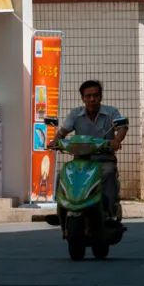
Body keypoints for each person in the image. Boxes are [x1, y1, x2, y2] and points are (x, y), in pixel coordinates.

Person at [58, 80, 128, 218]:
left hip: (104, 159)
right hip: (81, 160)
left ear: (100, 97)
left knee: (108, 173)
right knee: (63, 173)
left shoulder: (111, 112)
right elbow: (63, 131)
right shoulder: (75, 114)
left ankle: (109, 211)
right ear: (82, 98)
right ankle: (61, 209)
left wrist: (116, 140)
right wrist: (56, 140)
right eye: (88, 96)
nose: (92, 99)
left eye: (95, 95)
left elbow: (122, 127)